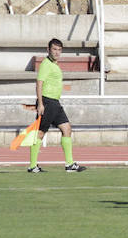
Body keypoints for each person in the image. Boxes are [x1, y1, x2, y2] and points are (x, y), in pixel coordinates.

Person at [28, 38, 86, 173]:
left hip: (55, 103)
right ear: (48, 50)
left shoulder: (55, 65)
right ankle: (32, 166)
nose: (57, 52)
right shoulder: (46, 64)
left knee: (67, 128)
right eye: (54, 49)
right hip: (47, 102)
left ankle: (70, 164)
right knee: (40, 133)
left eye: (59, 50)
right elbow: (39, 83)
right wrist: (40, 103)